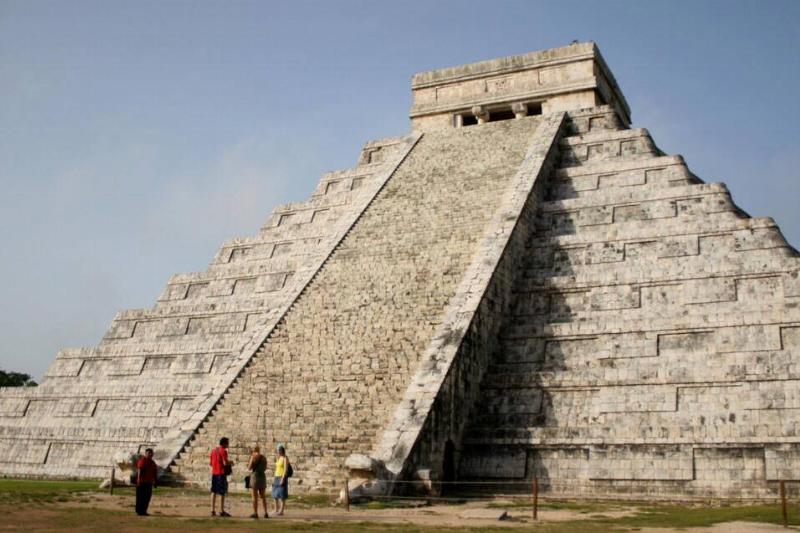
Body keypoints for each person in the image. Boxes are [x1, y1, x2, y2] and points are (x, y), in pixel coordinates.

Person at [210, 437, 232, 517]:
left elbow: (211, 463)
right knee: (222, 492)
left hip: (214, 473)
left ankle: (212, 510)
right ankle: (221, 510)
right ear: (224, 443)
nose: (228, 445)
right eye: (227, 443)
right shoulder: (223, 451)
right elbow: (225, 463)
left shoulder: (213, 450)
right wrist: (230, 463)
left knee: (213, 491)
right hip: (221, 473)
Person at [247, 445, 269, 519]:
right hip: (262, 476)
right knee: (263, 496)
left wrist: (251, 459)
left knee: (254, 496)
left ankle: (255, 513)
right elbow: (265, 468)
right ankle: (266, 512)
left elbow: (249, 468)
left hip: (255, 476)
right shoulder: (263, 457)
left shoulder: (253, 457)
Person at [135, 448, 157, 516]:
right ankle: (139, 511)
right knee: (140, 497)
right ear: (146, 454)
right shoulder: (143, 461)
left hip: (149, 482)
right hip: (142, 482)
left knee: (147, 497)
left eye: (151, 453)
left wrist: (155, 481)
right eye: (148, 453)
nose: (150, 454)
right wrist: (138, 480)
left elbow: (154, 473)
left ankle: (144, 511)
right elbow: (139, 470)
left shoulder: (153, 463)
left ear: (152, 454)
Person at [271, 444, 289, 515]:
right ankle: (276, 509)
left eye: (278, 450)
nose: (277, 451)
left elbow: (285, 469)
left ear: (281, 450)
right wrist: (273, 478)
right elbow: (276, 468)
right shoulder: (278, 457)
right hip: (276, 476)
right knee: (274, 494)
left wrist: (283, 479)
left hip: (282, 476)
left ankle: (281, 511)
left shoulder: (285, 458)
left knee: (282, 495)